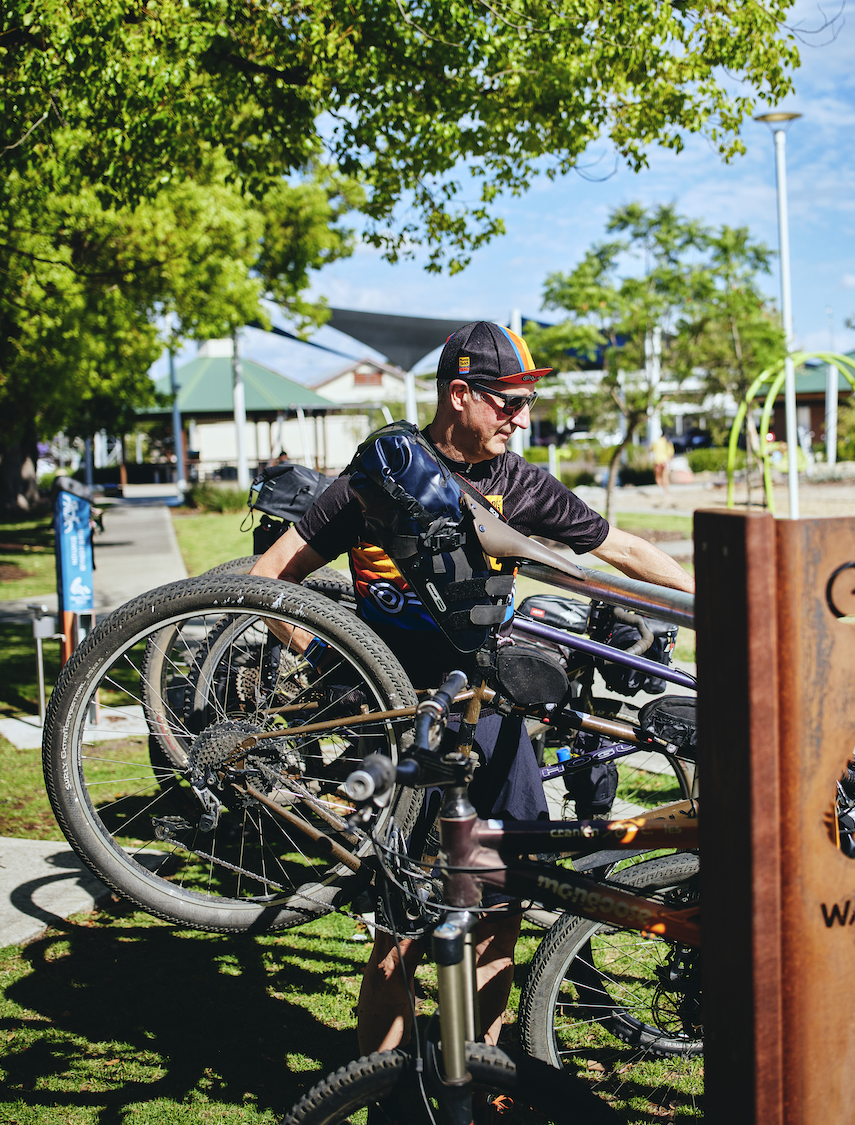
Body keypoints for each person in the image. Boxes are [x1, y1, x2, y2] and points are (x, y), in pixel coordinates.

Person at [250, 321, 695, 1055]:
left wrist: (708, 599)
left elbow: (624, 548)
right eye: (510, 401)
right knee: (398, 933)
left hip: (495, 720)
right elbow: (269, 581)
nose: (523, 418)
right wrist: (338, 667)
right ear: (460, 395)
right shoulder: (380, 474)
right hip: (401, 728)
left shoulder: (516, 481)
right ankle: (379, 1086)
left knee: (504, 908)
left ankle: (487, 1069)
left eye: (527, 401)